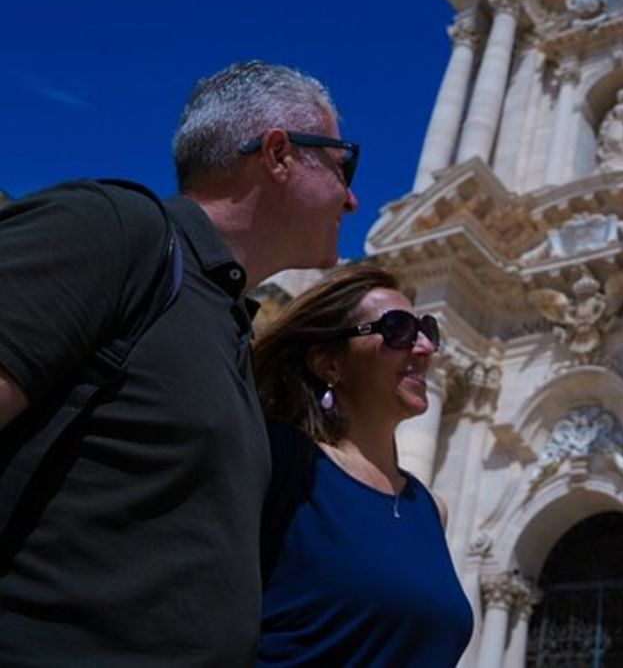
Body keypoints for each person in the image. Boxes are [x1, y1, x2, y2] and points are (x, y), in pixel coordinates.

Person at [0, 60, 358, 663]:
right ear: (278, 155)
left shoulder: (228, 325)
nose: (351, 199)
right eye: (343, 166)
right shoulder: (114, 230)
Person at [253, 263, 473, 666]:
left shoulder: (429, 510)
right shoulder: (281, 460)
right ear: (328, 364)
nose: (424, 348)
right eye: (397, 329)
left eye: (426, 330)